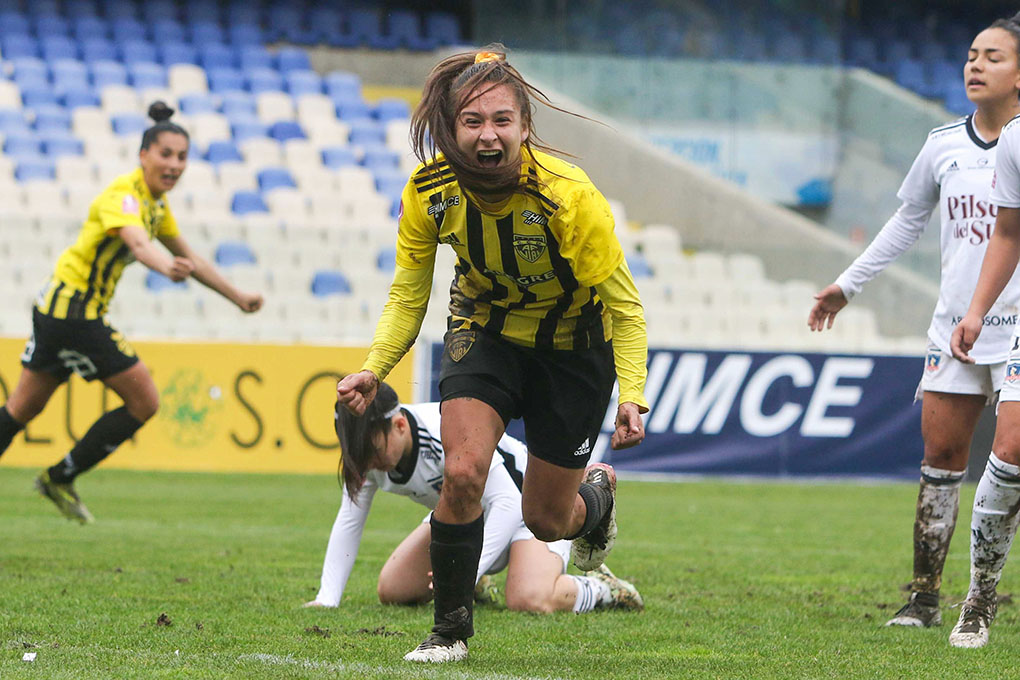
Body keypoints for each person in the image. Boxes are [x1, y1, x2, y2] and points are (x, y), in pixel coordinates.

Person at [336, 46, 648, 663]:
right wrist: (375, 366)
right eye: (473, 122)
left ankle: (598, 501)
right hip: (486, 335)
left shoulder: (568, 197)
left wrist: (632, 393)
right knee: (462, 472)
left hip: (572, 352)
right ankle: (449, 633)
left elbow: (625, 306)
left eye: (502, 120)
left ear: (524, 127)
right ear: (452, 131)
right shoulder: (431, 193)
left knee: (549, 520)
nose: (488, 135)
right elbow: (408, 292)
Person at [808, 17, 1020, 630]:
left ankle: (981, 597)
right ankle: (924, 599)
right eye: (972, 54)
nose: (975, 66)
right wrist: (848, 284)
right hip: (959, 324)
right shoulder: (944, 143)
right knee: (942, 458)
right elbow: (907, 222)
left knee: (1009, 456)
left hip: (1017, 327)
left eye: (993, 57)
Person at [0, 101, 263, 523]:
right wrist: (166, 268)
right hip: (73, 313)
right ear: (143, 155)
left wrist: (237, 296)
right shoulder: (123, 196)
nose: (174, 164)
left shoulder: (156, 205)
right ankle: (60, 475)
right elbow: (141, 246)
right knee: (144, 399)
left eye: (182, 157)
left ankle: (58, 477)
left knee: (19, 411)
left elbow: (188, 256)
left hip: (55, 311)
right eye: (165, 154)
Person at [305, 384, 644, 615]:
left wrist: (467, 569)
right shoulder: (370, 454)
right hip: (465, 515)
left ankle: (604, 590)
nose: (369, 464)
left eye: (374, 451)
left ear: (399, 425)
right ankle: (479, 582)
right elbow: (350, 519)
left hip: (526, 507)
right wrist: (327, 598)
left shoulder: (440, 428)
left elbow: (509, 502)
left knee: (529, 598)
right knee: (394, 590)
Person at [949, 12, 1020, 650]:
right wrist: (976, 309)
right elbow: (1008, 231)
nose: (976, 63)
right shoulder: (1016, 141)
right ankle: (979, 597)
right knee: (1014, 444)